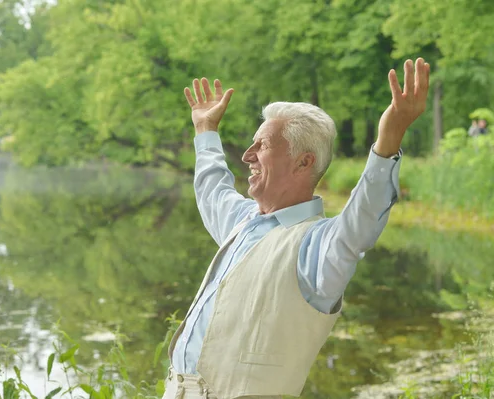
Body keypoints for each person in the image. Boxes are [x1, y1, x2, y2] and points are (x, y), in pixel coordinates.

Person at [162, 58, 430, 399]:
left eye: (263, 145)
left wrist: (390, 137)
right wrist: (205, 131)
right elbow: (212, 188)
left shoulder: (318, 247)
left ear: (304, 162)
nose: (247, 155)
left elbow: (362, 219)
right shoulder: (242, 221)